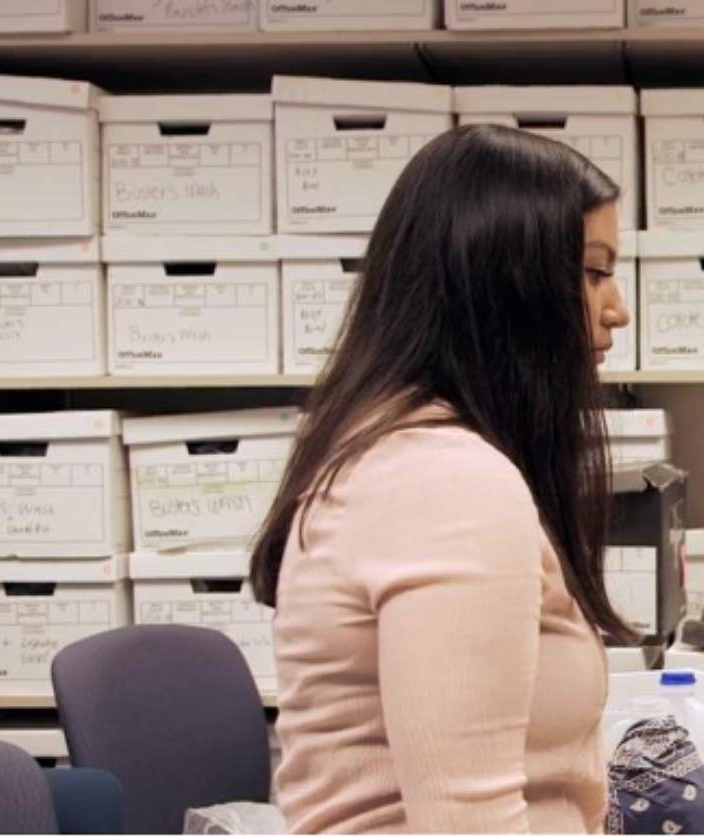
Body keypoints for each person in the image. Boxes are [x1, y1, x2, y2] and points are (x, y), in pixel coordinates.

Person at [248, 124, 634, 833]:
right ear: (504, 285)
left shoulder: (406, 455)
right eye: (593, 272)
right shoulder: (445, 484)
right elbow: (467, 824)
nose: (617, 309)